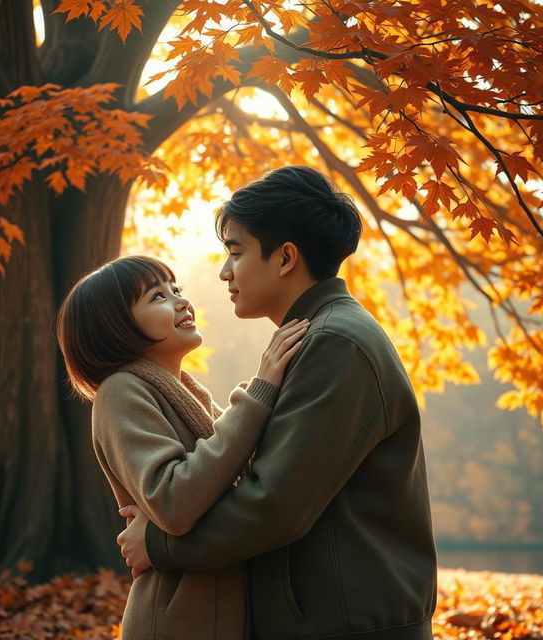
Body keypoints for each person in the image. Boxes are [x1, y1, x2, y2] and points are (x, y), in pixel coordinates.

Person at [118, 166, 438, 640]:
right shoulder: (316, 337)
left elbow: (275, 504)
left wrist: (161, 545)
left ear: (285, 257)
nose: (225, 271)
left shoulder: (336, 344)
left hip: (347, 627)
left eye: (236, 252)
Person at [56, 255, 309, 639]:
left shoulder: (188, 393)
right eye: (158, 296)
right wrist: (259, 391)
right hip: (179, 620)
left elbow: (246, 466)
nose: (181, 301)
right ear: (115, 326)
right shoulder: (121, 392)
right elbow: (175, 501)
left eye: (177, 289)